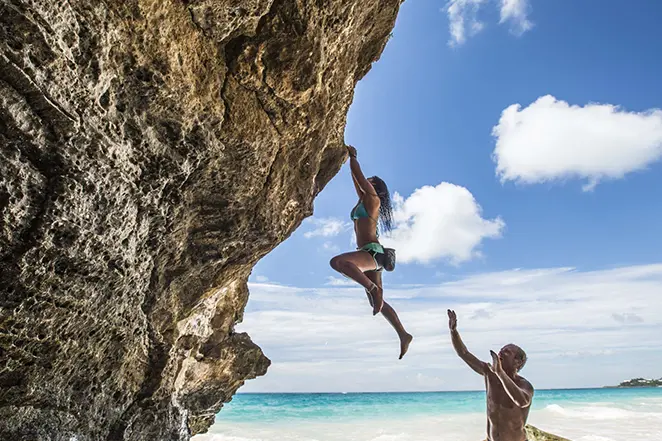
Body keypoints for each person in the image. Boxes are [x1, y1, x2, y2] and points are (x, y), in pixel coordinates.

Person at [329, 145, 413, 359]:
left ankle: (373, 288)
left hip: (372, 252)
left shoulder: (373, 200)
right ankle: (403, 334)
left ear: (375, 188)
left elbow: (359, 176)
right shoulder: (363, 199)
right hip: (372, 254)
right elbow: (356, 179)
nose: (365, 183)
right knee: (375, 302)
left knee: (338, 263)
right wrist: (350, 163)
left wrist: (354, 157)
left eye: (370, 182)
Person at [447, 310, 534, 441]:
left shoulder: (523, 385)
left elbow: (522, 401)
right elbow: (463, 353)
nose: (501, 352)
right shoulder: (489, 373)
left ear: (518, 361)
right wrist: (453, 331)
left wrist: (500, 373)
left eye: (507, 352)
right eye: (501, 350)